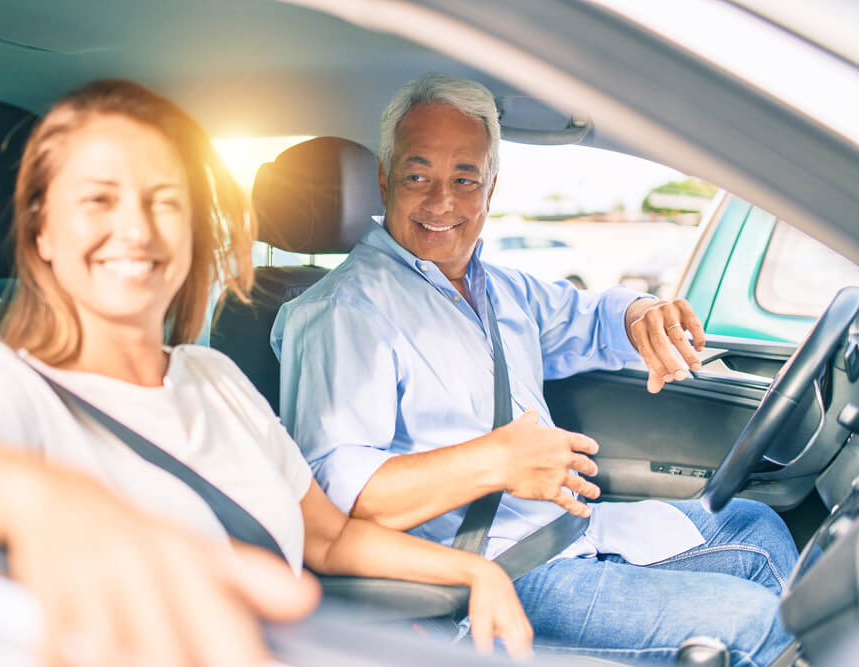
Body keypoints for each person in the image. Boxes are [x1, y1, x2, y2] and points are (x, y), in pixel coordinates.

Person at [0, 79, 532, 667]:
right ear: (41, 230)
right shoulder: (11, 383)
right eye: (99, 199)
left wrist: (474, 570)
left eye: (165, 201)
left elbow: (328, 536)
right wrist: (55, 502)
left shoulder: (212, 375)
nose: (138, 229)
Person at [272, 73, 799, 665]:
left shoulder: (494, 286)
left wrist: (640, 314)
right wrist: (496, 461)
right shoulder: (342, 312)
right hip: (487, 575)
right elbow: (334, 496)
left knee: (756, 527)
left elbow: (589, 318)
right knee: (756, 625)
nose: (442, 201)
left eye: (464, 178)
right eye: (418, 175)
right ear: (384, 179)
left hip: (568, 533)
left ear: (490, 189)